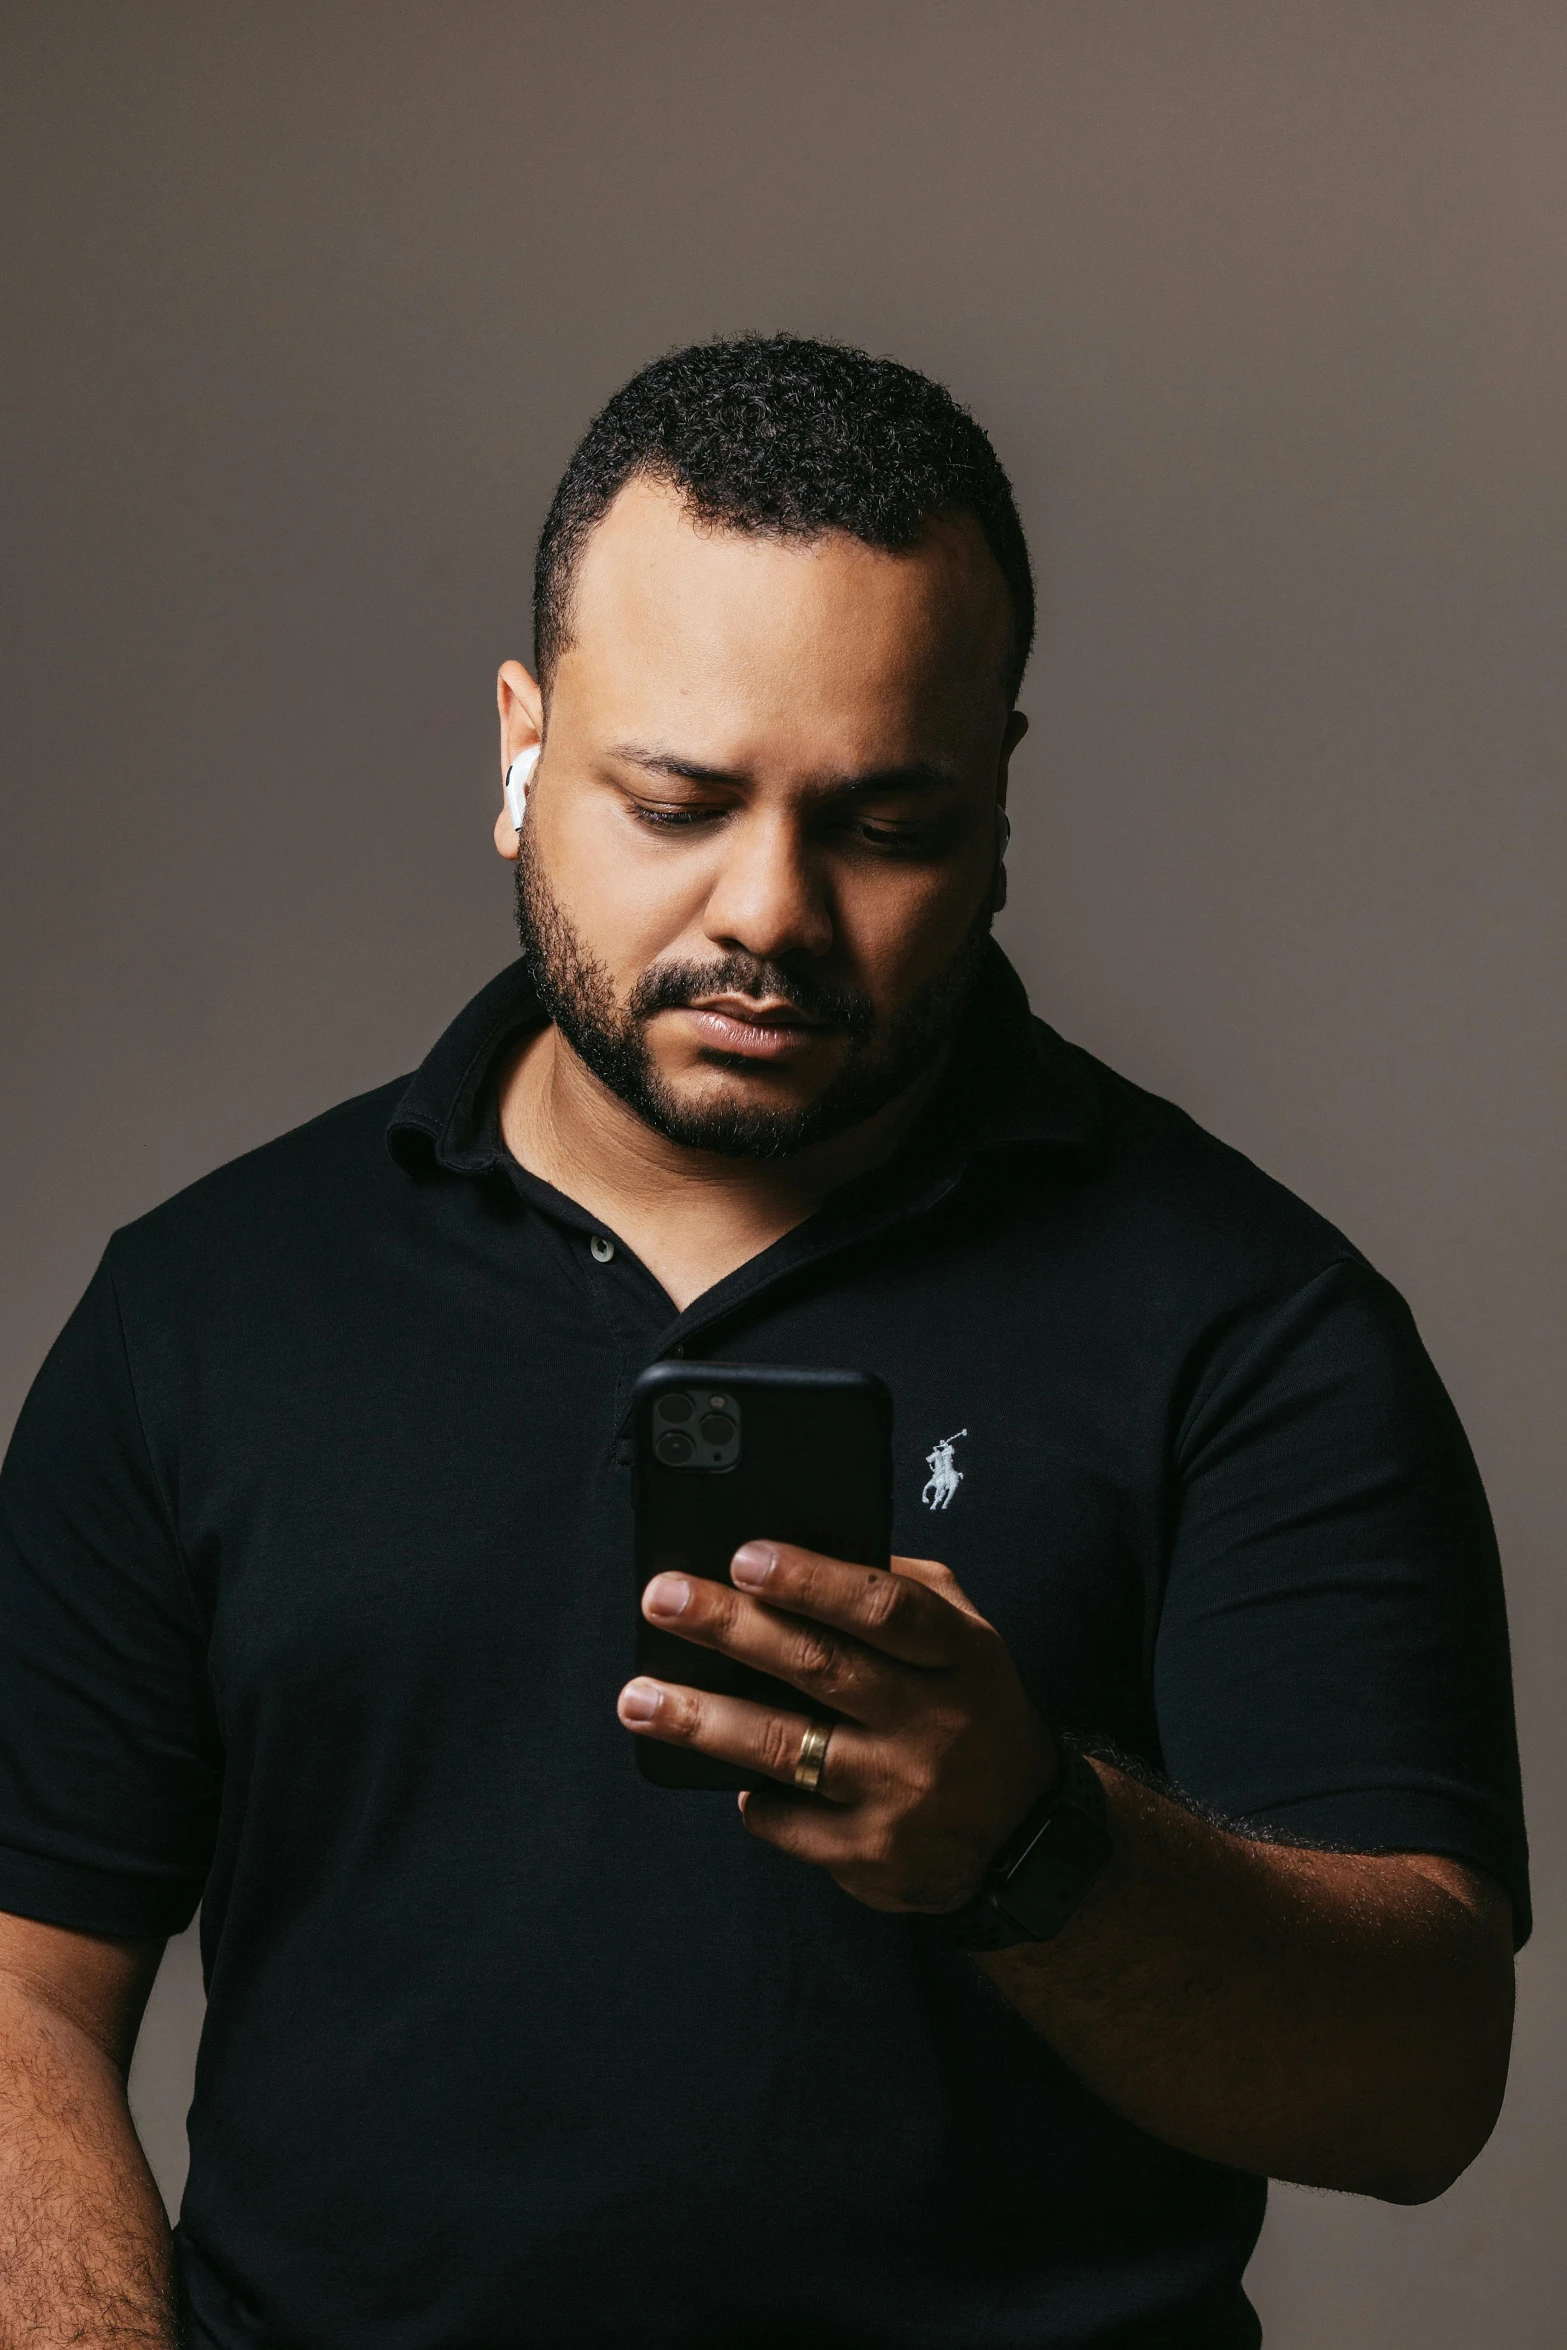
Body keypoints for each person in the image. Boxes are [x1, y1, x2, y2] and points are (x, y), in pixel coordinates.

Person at [0, 334, 1527, 2350]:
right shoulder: (206, 1306)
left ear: (999, 797)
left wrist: (1030, 1842)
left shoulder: (1253, 1326)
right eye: (678, 798)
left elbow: (1418, 2083)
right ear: (521, 749)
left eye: (885, 821)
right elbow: (20, 1988)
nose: (771, 910)